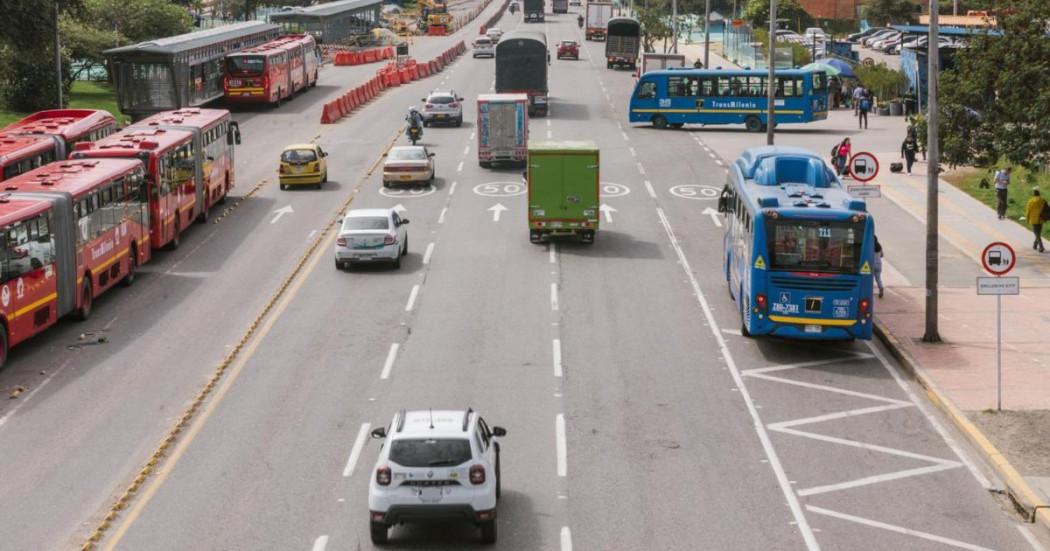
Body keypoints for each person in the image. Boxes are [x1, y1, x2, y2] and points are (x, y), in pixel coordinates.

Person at [1025, 188, 1046, 252]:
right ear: (1039, 193)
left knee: (1037, 233)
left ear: (1033, 194)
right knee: (1038, 233)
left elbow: (1028, 211)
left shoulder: (1031, 201)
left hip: (1033, 219)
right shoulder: (1043, 200)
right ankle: (1035, 245)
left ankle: (1041, 246)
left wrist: (1027, 219)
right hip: (1041, 219)